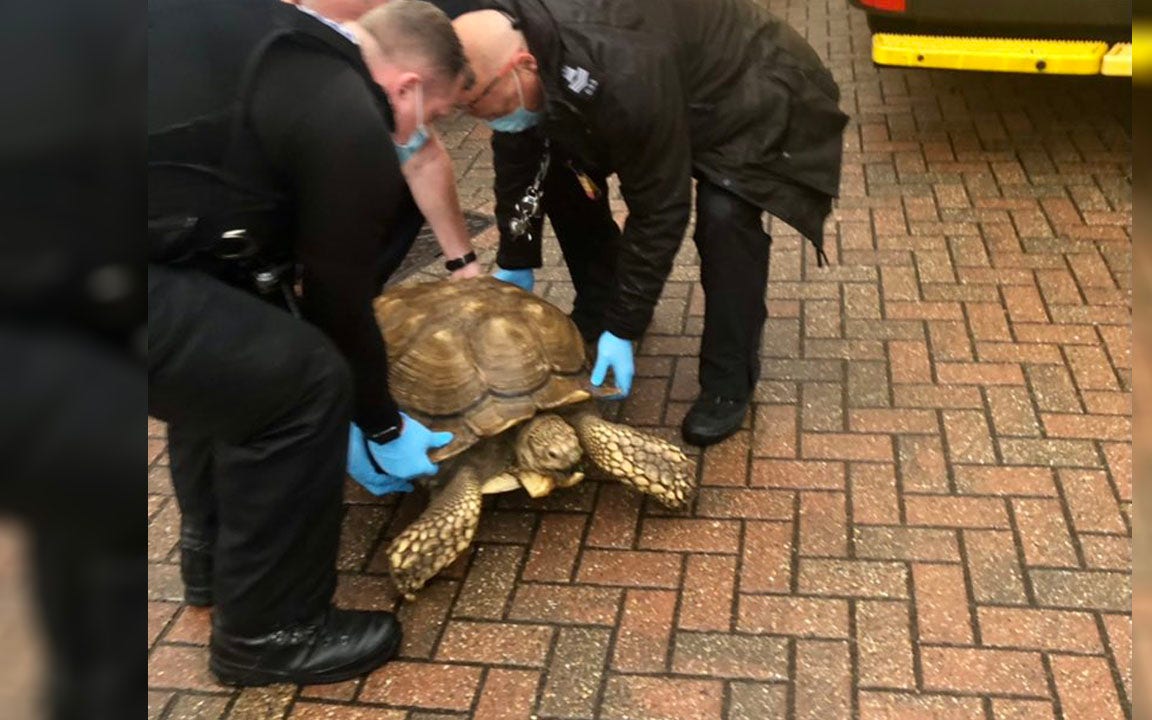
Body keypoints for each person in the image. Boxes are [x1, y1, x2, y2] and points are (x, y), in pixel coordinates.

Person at [148, 0, 472, 685]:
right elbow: (339, 303)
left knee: (227, 350)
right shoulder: (346, 111)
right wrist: (379, 421)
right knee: (303, 383)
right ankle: (270, 634)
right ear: (408, 87)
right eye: (436, 117)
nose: (425, 133)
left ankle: (210, 561)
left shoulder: (287, 46)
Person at [453, 0, 848, 447]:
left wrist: (624, 326)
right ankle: (601, 301)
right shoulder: (524, 43)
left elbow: (660, 208)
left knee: (725, 219)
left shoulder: (624, 72)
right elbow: (520, 153)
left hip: (747, 84)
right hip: (665, 72)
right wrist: (515, 254)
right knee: (561, 169)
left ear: (523, 66)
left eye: (478, 107)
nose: (481, 122)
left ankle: (728, 378)